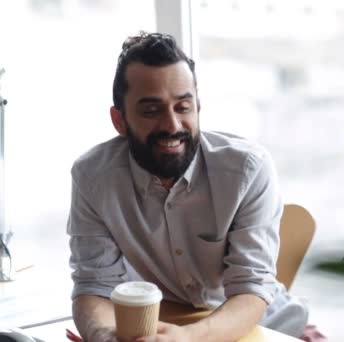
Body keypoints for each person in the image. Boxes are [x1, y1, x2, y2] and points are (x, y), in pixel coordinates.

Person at [67, 32, 308, 342]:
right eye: (151, 111)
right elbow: (94, 286)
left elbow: (251, 289)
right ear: (119, 120)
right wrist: (103, 335)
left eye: (183, 107)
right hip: (167, 322)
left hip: (268, 328)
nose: (172, 125)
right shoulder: (93, 177)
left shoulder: (248, 170)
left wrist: (187, 339)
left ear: (198, 107)